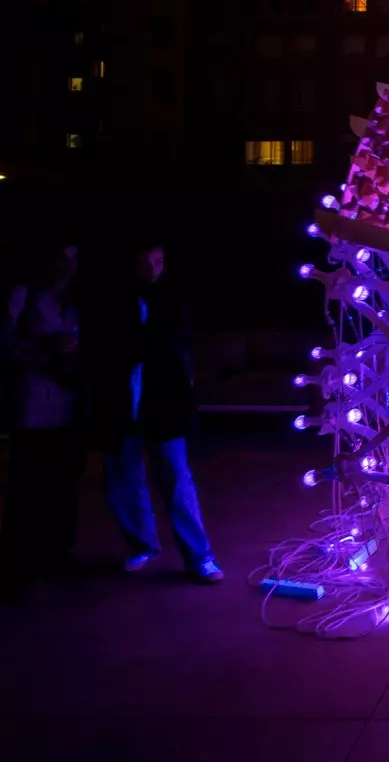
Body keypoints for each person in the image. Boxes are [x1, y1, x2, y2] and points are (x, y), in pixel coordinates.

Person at [85, 238, 223, 582]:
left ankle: (199, 556)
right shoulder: (113, 298)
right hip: (119, 401)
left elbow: (168, 342)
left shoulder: (172, 298)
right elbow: (105, 344)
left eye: (157, 259)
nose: (152, 267)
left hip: (162, 402)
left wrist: (134, 344)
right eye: (145, 260)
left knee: (176, 479)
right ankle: (142, 545)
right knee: (125, 478)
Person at [0, 245, 85, 593]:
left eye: (73, 258)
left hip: (66, 406)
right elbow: (4, 344)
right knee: (26, 488)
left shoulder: (75, 300)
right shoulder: (22, 297)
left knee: (61, 485)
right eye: (61, 257)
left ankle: (55, 554)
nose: (67, 265)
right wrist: (47, 353)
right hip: (33, 407)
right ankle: (17, 566)